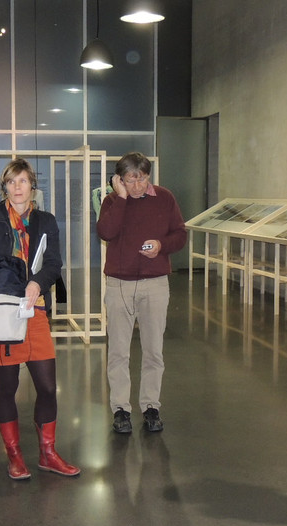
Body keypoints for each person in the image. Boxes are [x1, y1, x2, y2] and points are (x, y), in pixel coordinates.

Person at [0, 158, 80, 481]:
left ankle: (48, 453)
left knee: (47, 387)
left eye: (22, 181)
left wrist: (38, 283)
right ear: (4, 187)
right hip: (2, 313)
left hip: (34, 310)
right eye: (11, 182)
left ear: (32, 185)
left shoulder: (45, 221)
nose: (17, 187)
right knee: (7, 386)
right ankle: (15, 455)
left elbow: (53, 262)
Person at [96, 152, 187, 434]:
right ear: (119, 180)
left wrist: (161, 246)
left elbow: (180, 234)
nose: (137, 185)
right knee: (118, 351)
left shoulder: (165, 198)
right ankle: (120, 409)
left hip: (155, 283)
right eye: (130, 180)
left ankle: (151, 406)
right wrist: (121, 198)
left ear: (148, 176)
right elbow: (106, 232)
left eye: (142, 178)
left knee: (153, 350)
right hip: (119, 284)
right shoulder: (112, 201)